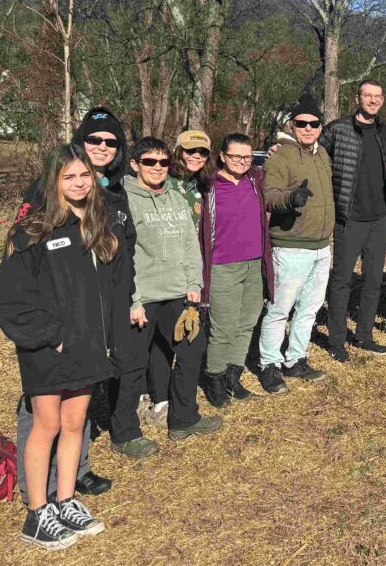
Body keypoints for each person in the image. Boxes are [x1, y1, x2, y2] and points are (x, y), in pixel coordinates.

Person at [0, 145, 131, 548]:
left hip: (87, 345)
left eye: (85, 175)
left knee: (75, 424)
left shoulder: (97, 226)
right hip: (49, 348)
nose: (79, 183)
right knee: (47, 425)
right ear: (53, 181)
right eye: (69, 176)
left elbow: (109, 290)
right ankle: (37, 513)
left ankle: (66, 500)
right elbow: (9, 301)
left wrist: (107, 335)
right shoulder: (33, 231)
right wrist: (51, 336)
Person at [14, 107, 131, 504]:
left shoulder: (111, 196)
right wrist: (48, 331)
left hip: (89, 326)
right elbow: (26, 270)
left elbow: (120, 258)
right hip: (53, 332)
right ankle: (38, 491)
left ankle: (74, 476)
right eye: (94, 139)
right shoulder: (44, 196)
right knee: (43, 415)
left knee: (75, 415)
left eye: (110, 141)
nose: (102, 146)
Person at [111, 137, 222, 457]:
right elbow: (120, 255)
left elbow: (189, 242)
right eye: (149, 162)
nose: (157, 168)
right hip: (142, 297)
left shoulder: (175, 196)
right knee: (132, 365)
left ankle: (184, 418)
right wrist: (132, 299)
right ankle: (124, 433)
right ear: (135, 164)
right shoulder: (123, 199)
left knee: (192, 349)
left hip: (177, 293)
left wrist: (194, 283)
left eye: (163, 162)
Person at [259, 94, 336, 391]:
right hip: (291, 246)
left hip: (321, 246)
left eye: (313, 124)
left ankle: (296, 359)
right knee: (280, 309)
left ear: (320, 126)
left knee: (310, 308)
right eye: (302, 123)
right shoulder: (281, 156)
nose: (307, 128)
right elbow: (269, 195)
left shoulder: (323, 154)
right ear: (292, 125)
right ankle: (269, 364)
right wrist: (290, 199)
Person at [141, 129, 216, 427]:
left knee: (173, 339)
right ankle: (157, 400)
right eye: (190, 151)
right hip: (160, 275)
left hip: (186, 271)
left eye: (202, 152)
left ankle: (166, 401)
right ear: (178, 152)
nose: (196, 156)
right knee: (165, 342)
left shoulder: (196, 185)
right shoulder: (164, 182)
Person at [317, 79, 386, 362]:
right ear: (357, 98)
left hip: (378, 218)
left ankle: (364, 336)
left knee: (373, 280)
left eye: (377, 96)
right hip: (348, 218)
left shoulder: (384, 131)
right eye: (367, 95)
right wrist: (282, 147)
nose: (372, 100)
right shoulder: (338, 129)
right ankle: (336, 340)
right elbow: (312, 150)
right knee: (342, 280)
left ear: (382, 100)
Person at [199, 133, 273, 406]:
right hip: (222, 266)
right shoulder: (208, 185)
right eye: (236, 156)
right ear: (222, 156)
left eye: (247, 157)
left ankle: (233, 374)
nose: (242, 161)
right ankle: (215, 378)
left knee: (247, 322)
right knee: (224, 326)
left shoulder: (256, 179)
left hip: (254, 263)